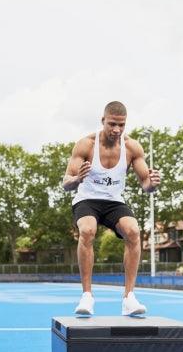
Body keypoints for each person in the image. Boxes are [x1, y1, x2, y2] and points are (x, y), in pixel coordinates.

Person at [62, 100, 161, 317]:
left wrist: (153, 184)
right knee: (87, 230)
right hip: (87, 199)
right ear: (103, 121)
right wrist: (77, 179)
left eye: (121, 125)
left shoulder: (132, 148)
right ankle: (87, 296)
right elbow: (66, 183)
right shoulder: (86, 145)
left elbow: (146, 185)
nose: (116, 130)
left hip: (114, 201)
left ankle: (129, 298)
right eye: (112, 124)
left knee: (133, 231)